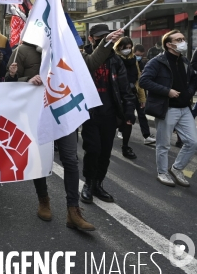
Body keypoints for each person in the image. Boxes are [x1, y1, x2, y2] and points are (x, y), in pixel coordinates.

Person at [6, 27, 123, 232]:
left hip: (63, 112)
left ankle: (73, 210)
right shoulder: (22, 51)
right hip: (36, 114)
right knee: (40, 159)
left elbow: (90, 64)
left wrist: (106, 43)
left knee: (70, 159)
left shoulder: (67, 49)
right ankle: (44, 200)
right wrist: (25, 79)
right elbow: (9, 83)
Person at [80, 24, 135, 205]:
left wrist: (128, 112)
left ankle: (98, 184)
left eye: (108, 36)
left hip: (109, 113)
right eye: (100, 37)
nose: (105, 40)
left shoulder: (116, 60)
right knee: (93, 150)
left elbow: (124, 88)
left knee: (105, 152)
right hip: (90, 113)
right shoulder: (82, 56)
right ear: (91, 38)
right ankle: (88, 183)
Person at [140, 30, 197, 187]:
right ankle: (162, 172)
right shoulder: (157, 62)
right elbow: (144, 81)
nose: (183, 41)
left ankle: (177, 168)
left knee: (193, 142)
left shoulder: (184, 61)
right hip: (167, 109)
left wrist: (190, 92)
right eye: (179, 39)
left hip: (185, 108)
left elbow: (193, 79)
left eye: (183, 39)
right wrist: (167, 91)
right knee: (163, 144)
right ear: (168, 44)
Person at [113, 37, 152, 158]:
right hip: (116, 95)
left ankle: (125, 146)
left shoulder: (133, 59)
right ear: (119, 47)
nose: (128, 50)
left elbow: (138, 80)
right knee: (113, 122)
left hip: (130, 95)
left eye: (130, 48)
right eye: (125, 48)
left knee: (129, 121)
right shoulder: (113, 59)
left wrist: (142, 98)